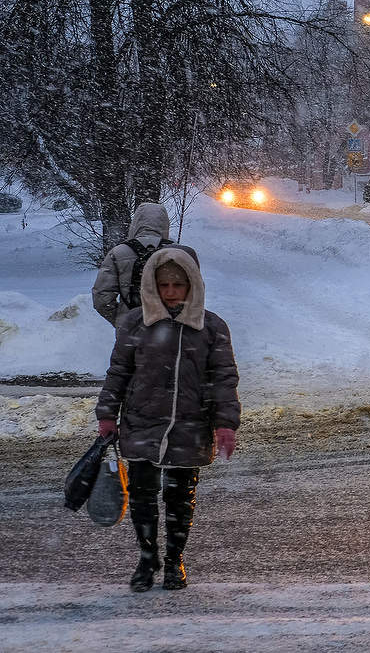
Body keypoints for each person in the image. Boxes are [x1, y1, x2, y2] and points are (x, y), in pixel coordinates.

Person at [95, 247, 240, 592]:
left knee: (179, 498)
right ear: (152, 286)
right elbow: (119, 372)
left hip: (189, 425)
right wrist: (107, 414)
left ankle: (175, 561)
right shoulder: (135, 324)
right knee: (142, 496)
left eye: (178, 284)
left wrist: (225, 424)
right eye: (164, 285)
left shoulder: (211, 327)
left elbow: (223, 378)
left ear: (192, 285)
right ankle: (147, 559)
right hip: (142, 421)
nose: (171, 292)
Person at [91, 202, 199, 326]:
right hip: (170, 330)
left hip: (131, 331)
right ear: (164, 224)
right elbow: (195, 295)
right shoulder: (178, 253)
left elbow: (101, 298)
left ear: (136, 223)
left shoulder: (118, 253)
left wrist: (122, 321)